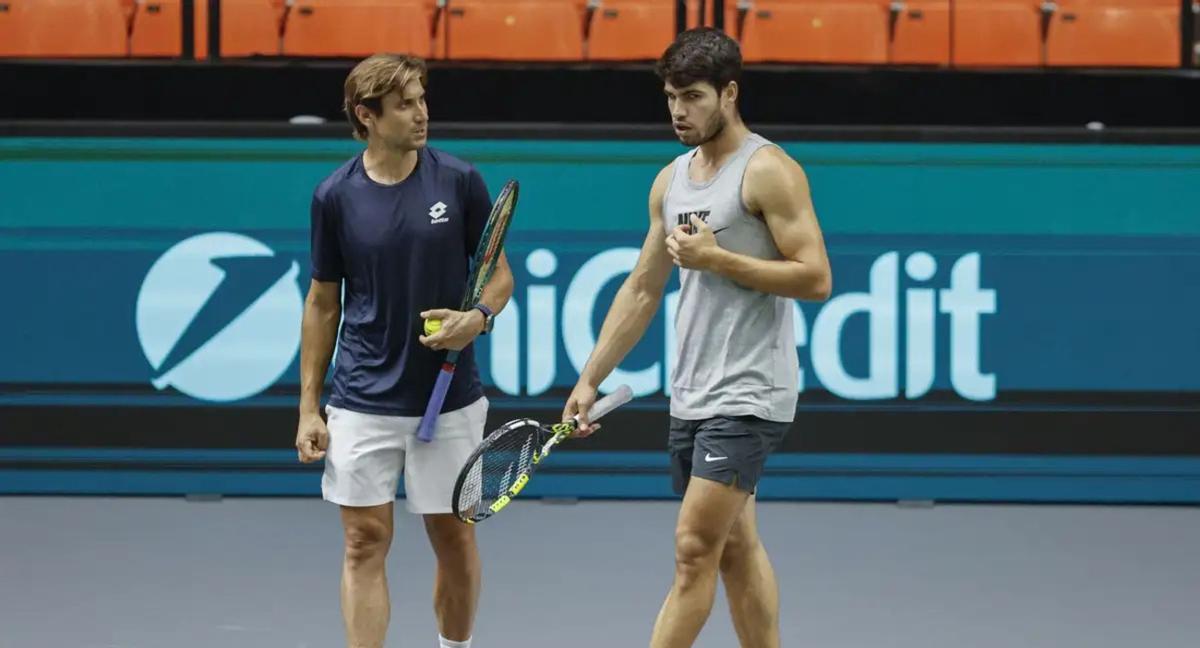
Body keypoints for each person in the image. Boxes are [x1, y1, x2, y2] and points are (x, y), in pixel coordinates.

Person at [561, 28, 833, 648]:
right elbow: (641, 288)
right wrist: (590, 377)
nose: (679, 111)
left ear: (729, 93)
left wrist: (719, 260)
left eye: (693, 97)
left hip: (749, 392)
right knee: (736, 546)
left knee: (692, 551)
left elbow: (815, 278)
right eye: (670, 98)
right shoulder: (671, 180)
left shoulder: (769, 172)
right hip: (694, 391)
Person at [295, 53, 513, 648]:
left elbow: (498, 277)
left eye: (422, 99)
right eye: (406, 104)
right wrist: (309, 407)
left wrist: (478, 318)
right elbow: (322, 303)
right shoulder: (334, 196)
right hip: (362, 396)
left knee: (454, 539)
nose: (422, 113)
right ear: (366, 116)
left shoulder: (459, 180)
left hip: (448, 398)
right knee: (364, 541)